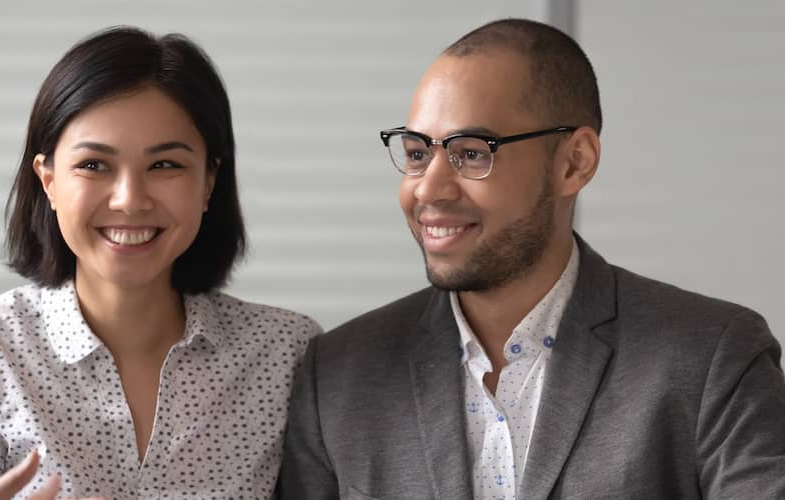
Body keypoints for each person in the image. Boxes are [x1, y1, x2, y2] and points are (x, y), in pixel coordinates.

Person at [277, 18, 785, 500]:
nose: (427, 189)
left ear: (574, 163)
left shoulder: (713, 358)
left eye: (472, 152)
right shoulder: (339, 375)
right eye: (416, 154)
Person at [0, 26, 322, 499]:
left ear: (208, 183)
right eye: (94, 165)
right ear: (48, 181)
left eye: (165, 165)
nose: (129, 200)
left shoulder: (289, 354)